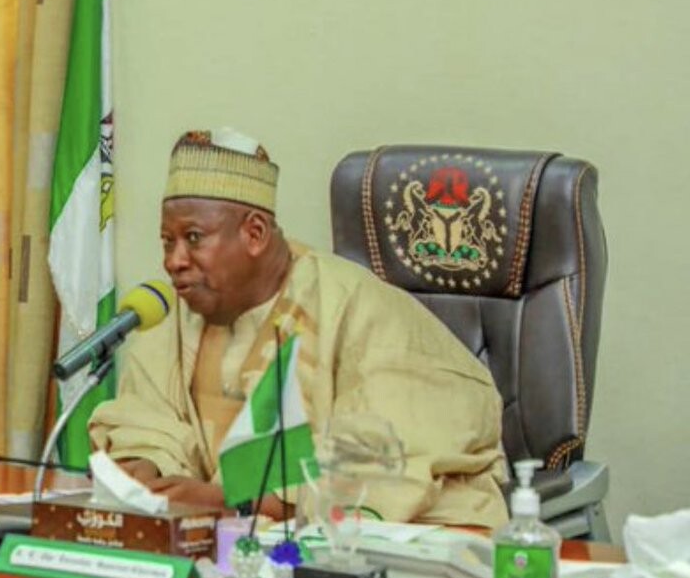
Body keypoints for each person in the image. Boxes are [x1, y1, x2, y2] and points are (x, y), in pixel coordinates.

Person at [88, 129, 508, 527]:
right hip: (218, 550)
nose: (174, 261)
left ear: (254, 234)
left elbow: (389, 461)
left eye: (194, 238)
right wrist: (144, 470)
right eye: (167, 241)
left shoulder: (357, 306)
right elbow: (145, 420)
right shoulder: (180, 312)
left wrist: (227, 502)